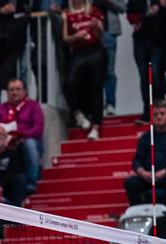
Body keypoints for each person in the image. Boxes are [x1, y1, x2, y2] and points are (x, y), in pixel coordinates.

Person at [124, 102, 166, 205]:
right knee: (131, 183)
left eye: (162, 113)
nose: (158, 117)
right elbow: (137, 160)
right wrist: (143, 173)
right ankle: (138, 212)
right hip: (148, 177)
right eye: (155, 114)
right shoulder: (146, 137)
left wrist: (165, 171)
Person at [62, 0, 107, 142]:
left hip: (95, 51)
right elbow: (65, 38)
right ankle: (77, 113)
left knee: (96, 88)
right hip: (77, 52)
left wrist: (96, 27)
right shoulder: (67, 13)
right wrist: (76, 36)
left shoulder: (94, 10)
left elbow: (100, 35)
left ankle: (96, 127)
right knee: (69, 83)